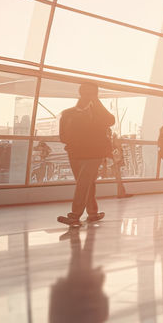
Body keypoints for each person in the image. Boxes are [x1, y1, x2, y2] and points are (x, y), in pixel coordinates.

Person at [58, 82, 115, 226]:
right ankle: (93, 213)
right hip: (75, 153)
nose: (89, 95)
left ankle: (75, 215)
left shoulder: (98, 113)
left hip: (93, 154)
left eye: (93, 93)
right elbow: (63, 136)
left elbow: (111, 120)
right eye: (87, 92)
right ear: (80, 92)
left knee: (83, 183)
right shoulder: (68, 113)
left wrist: (96, 102)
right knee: (86, 183)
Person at [108, 131, 131, 199]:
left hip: (114, 162)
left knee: (119, 179)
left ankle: (121, 193)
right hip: (115, 163)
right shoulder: (113, 143)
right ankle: (121, 194)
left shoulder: (110, 142)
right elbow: (118, 152)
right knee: (119, 179)